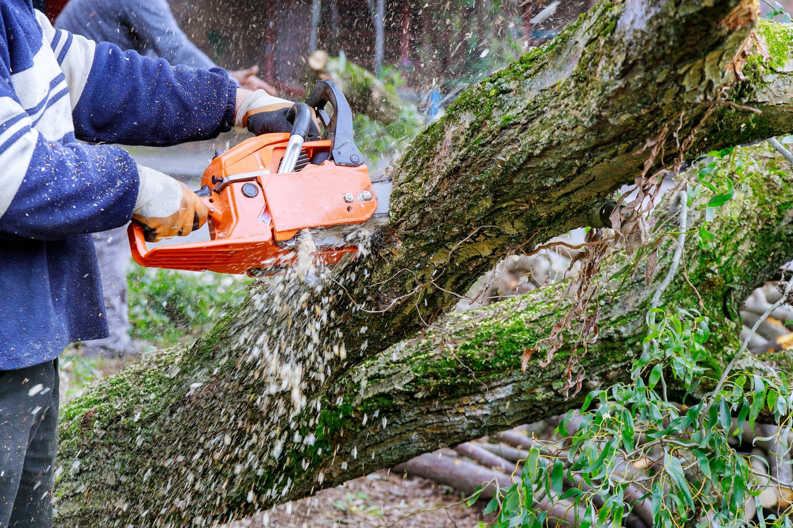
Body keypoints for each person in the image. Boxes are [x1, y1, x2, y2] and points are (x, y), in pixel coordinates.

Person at [0, 1, 293, 524]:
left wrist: (235, 101)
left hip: (24, 342)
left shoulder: (17, 17)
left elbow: (103, 79)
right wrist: (138, 188)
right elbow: (12, 175)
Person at [55, 0, 277, 356]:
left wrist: (230, 88)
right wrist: (238, 98)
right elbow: (172, 48)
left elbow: (163, 62)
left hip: (74, 110)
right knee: (106, 228)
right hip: (70, 114)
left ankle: (87, 331)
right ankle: (104, 344)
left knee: (91, 228)